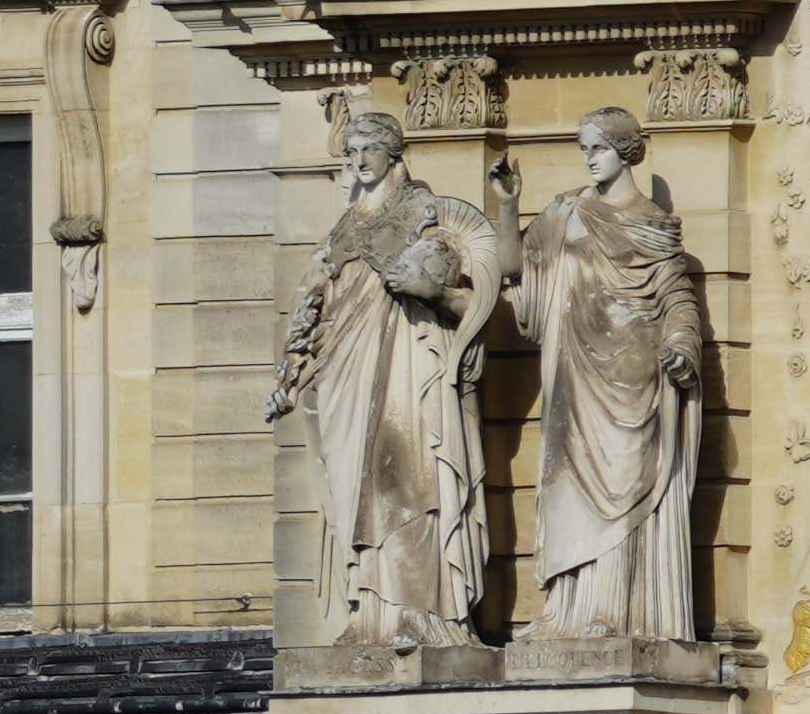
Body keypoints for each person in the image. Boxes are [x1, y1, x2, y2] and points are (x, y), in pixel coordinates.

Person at [268, 109, 511, 647]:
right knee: (355, 487)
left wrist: (433, 293)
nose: (358, 162)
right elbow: (315, 307)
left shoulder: (425, 216)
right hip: (343, 377)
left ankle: (419, 612)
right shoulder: (343, 228)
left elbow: (476, 304)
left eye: (369, 151)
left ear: (393, 153)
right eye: (351, 152)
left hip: (407, 362)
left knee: (406, 476)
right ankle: (371, 614)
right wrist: (291, 373)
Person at [517, 110, 709, 658]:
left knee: (627, 489)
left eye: (597, 147)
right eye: (584, 148)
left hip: (635, 373)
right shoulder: (565, 212)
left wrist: (680, 346)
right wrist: (508, 204)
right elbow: (519, 274)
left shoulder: (652, 223)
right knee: (568, 488)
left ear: (626, 150)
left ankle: (616, 608)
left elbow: (677, 298)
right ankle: (570, 610)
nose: (589, 158)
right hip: (575, 374)